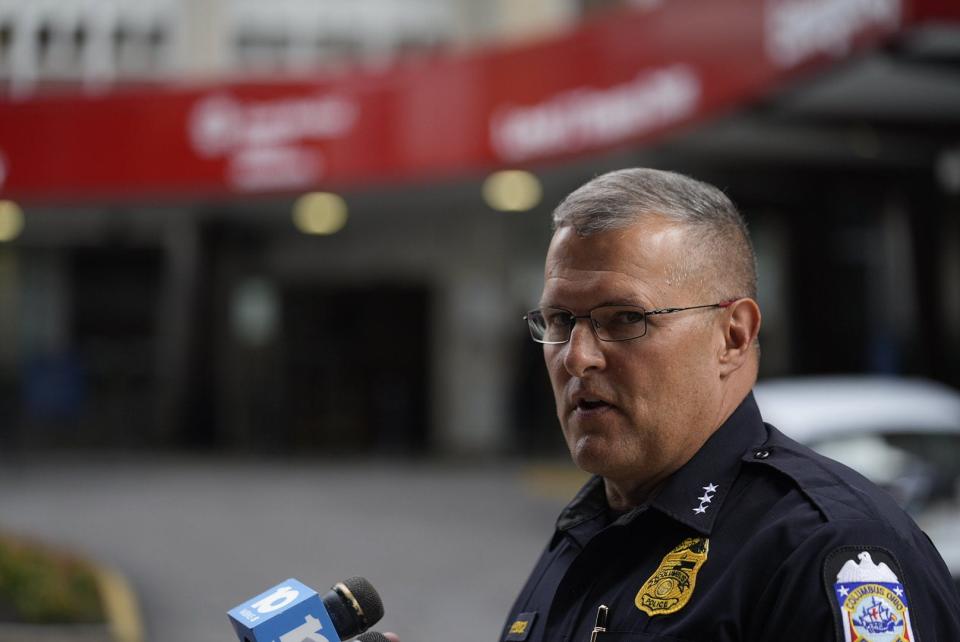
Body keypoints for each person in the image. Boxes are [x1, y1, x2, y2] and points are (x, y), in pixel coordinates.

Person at [390, 168, 960, 641]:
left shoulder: (824, 550)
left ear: (733, 336)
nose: (577, 358)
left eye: (626, 319)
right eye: (561, 321)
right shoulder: (593, 529)